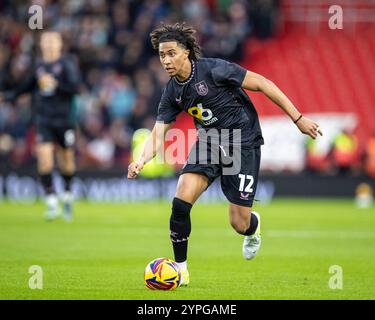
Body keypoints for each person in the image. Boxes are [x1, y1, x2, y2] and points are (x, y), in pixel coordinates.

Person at [127, 23, 322, 286]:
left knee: (239, 223)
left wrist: (297, 118)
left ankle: (253, 227)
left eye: (171, 53)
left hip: (243, 142)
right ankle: (181, 270)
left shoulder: (214, 69)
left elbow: (263, 83)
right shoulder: (172, 91)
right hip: (210, 141)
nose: (166, 60)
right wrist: (140, 160)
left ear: (186, 52)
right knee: (180, 200)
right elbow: (158, 132)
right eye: (162, 55)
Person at [0, 31, 81, 221]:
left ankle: (67, 196)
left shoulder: (67, 64)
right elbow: (26, 88)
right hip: (43, 120)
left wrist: (56, 84)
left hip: (64, 120)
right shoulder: (38, 66)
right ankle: (51, 202)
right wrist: (7, 96)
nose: (50, 44)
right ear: (42, 44)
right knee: (44, 159)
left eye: (53, 41)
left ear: (60, 44)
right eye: (47, 41)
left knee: (66, 161)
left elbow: (75, 88)